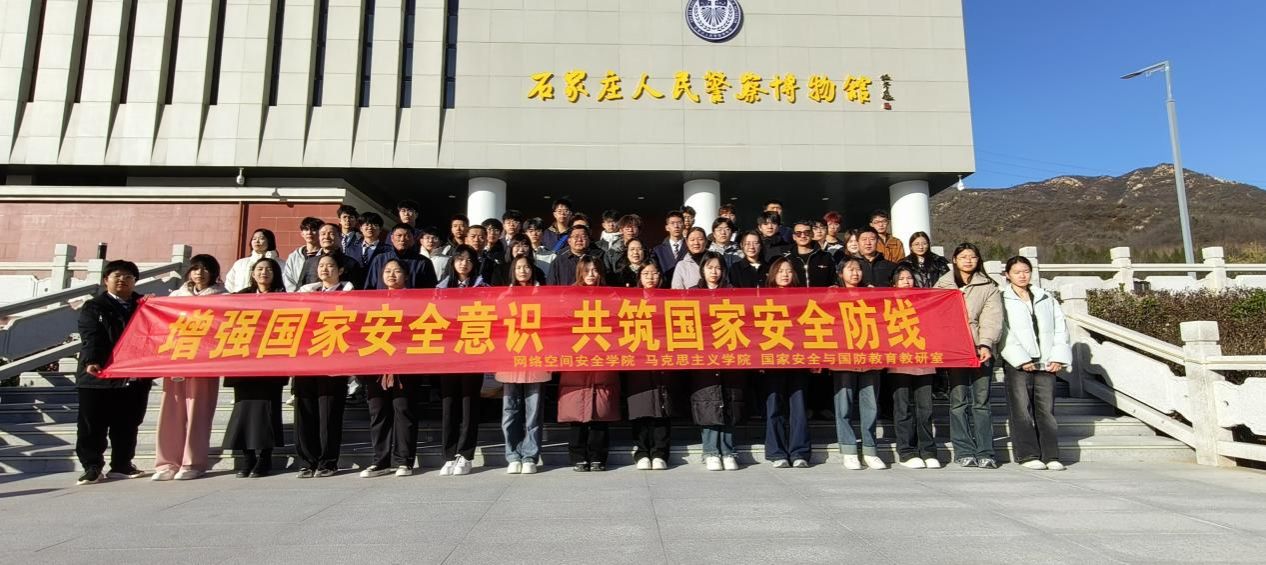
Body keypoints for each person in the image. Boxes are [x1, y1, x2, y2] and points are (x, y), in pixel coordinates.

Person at [74, 260, 152, 485]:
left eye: (128, 277)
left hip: (133, 374)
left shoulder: (145, 305)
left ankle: (122, 464)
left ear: (135, 281)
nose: (122, 280)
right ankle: (92, 467)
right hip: (97, 375)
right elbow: (91, 335)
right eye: (117, 276)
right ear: (105, 280)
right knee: (92, 424)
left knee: (128, 422)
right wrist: (92, 360)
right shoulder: (94, 306)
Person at [152, 255, 225, 481]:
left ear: (214, 273)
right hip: (177, 359)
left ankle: (193, 462)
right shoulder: (175, 297)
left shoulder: (224, 298)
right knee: (170, 412)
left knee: (198, 413)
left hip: (205, 361)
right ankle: (167, 463)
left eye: (205, 269)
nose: (199, 273)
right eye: (195, 269)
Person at [934, 243, 1004, 469]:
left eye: (972, 257)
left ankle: (986, 451)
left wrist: (986, 344)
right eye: (963, 257)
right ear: (954, 259)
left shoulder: (988, 286)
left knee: (981, 402)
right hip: (955, 350)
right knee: (958, 401)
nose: (968, 260)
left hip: (980, 348)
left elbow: (992, 318)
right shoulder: (942, 285)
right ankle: (964, 450)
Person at [1000, 256, 1071, 471]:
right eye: (1017, 272)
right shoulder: (1002, 299)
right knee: (1021, 410)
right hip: (1018, 363)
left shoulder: (1045, 297)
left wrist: (1058, 356)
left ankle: (1051, 455)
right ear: (1007, 275)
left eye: (1026, 271)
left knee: (1046, 410)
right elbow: (1003, 331)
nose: (1022, 276)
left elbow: (1060, 328)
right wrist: (1020, 358)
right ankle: (1028, 454)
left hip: (1046, 361)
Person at [222, 258, 289, 478]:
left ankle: (265, 457)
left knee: (268, 412)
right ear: (252, 273)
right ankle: (247, 457)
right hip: (244, 364)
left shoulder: (285, 298)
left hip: (271, 364)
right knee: (243, 411)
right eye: (259, 269)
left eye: (269, 269)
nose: (264, 273)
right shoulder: (240, 297)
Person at [359, 259, 423, 478]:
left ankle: (404, 460)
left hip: (405, 365)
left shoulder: (416, 301)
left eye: (397, 271)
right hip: (377, 365)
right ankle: (380, 461)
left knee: (403, 410)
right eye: (387, 271)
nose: (391, 275)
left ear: (406, 275)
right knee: (378, 412)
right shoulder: (372, 301)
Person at [293, 255, 354, 478]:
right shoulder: (304, 295)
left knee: (329, 414)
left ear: (341, 270)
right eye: (321, 266)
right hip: (306, 361)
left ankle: (328, 462)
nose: (325, 269)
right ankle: (307, 461)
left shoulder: (351, 295)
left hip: (334, 362)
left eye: (330, 265)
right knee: (304, 412)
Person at [558, 256, 621, 471]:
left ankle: (598, 457)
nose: (591, 275)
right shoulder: (568, 295)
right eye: (587, 271)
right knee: (576, 410)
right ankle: (578, 456)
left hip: (603, 356)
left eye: (595, 270)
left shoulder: (611, 295)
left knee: (600, 410)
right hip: (577, 358)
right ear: (580, 272)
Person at [496, 255, 551, 474]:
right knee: (510, 409)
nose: (522, 271)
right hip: (510, 358)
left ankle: (530, 455)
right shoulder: (503, 296)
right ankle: (512, 455)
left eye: (526, 267)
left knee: (533, 410)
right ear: (513, 271)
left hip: (536, 357)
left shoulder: (544, 296)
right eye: (518, 267)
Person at [690, 252, 745, 471]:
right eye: (710, 267)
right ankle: (710, 451)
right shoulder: (692, 294)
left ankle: (728, 450)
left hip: (729, 354)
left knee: (728, 401)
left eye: (718, 268)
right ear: (702, 269)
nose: (714, 272)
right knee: (708, 402)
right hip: (703, 356)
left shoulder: (733, 293)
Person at [435, 245, 487, 476]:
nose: (463, 263)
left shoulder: (483, 288)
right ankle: (449, 455)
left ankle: (465, 455)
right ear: (453, 262)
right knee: (449, 405)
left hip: (473, 353)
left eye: (468, 259)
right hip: (448, 355)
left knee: (469, 404)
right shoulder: (440, 289)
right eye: (459, 259)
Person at [832, 258, 886, 471]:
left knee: (870, 404)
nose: (855, 273)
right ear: (840, 273)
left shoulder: (871, 293)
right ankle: (849, 449)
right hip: (843, 357)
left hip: (869, 355)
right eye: (850, 269)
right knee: (843, 405)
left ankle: (870, 449)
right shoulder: (832, 294)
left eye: (859, 269)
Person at [625, 260, 676, 470]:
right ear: (639, 277)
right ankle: (642, 451)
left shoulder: (669, 299)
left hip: (663, 359)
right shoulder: (630, 301)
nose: (650, 277)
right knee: (640, 406)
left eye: (654, 273)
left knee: (662, 407)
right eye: (645, 273)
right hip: (638, 360)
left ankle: (660, 452)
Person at [888, 265, 940, 469]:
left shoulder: (924, 302)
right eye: (901, 279)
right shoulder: (888, 303)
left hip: (923, 361)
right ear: (894, 283)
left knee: (925, 408)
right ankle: (906, 450)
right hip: (899, 362)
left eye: (909, 278)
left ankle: (928, 450)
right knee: (903, 408)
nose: (906, 282)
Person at [762, 257, 811, 468]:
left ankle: (799, 452)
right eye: (780, 271)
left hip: (798, 359)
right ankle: (777, 453)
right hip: (773, 360)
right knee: (774, 407)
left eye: (789, 271)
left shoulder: (803, 298)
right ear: (773, 274)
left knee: (798, 407)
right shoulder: (763, 298)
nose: (785, 274)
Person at [364, 224, 439, 290]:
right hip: (383, 301)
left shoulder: (423, 262)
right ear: (392, 238)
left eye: (407, 236)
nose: (402, 239)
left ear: (413, 239)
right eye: (399, 235)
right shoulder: (379, 259)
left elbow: (431, 290)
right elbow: (369, 287)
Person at [299, 222, 360, 289]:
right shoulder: (310, 262)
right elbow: (300, 288)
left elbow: (357, 290)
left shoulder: (350, 263)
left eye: (331, 234)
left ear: (340, 237)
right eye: (323, 234)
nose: (326, 237)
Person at [224, 228, 279, 292]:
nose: (257, 241)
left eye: (261, 238)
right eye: (254, 239)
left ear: (270, 241)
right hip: (241, 297)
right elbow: (229, 285)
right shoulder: (240, 263)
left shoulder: (281, 264)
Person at [786, 220, 835, 287]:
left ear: (812, 234)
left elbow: (834, 281)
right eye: (798, 233)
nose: (803, 236)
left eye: (806, 232)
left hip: (821, 293)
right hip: (795, 294)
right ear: (794, 237)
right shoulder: (787, 259)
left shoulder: (826, 256)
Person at [283, 216, 323, 291]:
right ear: (302, 233)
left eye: (314, 229)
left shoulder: (325, 255)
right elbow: (288, 279)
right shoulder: (294, 256)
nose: (309, 233)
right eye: (306, 229)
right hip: (296, 295)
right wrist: (295, 295)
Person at [651, 210, 687, 278]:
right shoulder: (657, 250)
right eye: (672, 223)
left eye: (679, 223)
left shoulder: (690, 248)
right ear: (667, 227)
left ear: (684, 226)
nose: (676, 226)